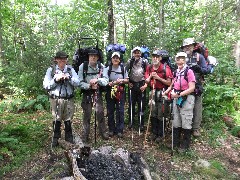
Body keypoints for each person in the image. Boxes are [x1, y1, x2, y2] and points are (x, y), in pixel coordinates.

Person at [43, 51, 80, 147]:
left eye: (64, 58)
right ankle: (56, 138)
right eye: (60, 58)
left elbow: (77, 82)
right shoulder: (51, 70)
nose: (62, 60)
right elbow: (46, 85)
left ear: (66, 59)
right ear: (56, 59)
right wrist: (55, 79)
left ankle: (69, 138)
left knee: (68, 119)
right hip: (56, 99)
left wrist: (69, 78)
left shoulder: (70, 70)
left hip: (69, 99)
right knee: (56, 119)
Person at [163, 52, 196, 151]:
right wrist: (167, 92)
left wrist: (179, 95)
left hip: (187, 98)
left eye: (182, 59)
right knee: (176, 120)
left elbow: (192, 88)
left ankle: (185, 145)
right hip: (176, 97)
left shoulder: (189, 72)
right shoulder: (176, 72)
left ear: (185, 60)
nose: (180, 61)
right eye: (178, 59)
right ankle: (175, 143)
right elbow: (172, 84)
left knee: (186, 120)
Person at [78, 48, 109, 143]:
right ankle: (85, 134)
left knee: (100, 112)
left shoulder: (102, 66)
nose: (93, 57)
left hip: (98, 92)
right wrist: (89, 86)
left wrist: (97, 80)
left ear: (98, 57)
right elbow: (79, 82)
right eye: (91, 55)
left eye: (95, 56)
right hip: (87, 93)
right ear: (88, 57)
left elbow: (106, 80)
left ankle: (103, 132)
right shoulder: (83, 66)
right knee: (87, 114)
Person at [181, 38, 208, 137]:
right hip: (183, 87)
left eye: (189, 46)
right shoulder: (181, 57)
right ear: (183, 48)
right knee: (183, 107)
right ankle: (183, 127)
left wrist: (199, 69)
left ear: (193, 47)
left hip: (196, 86)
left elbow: (206, 70)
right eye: (186, 46)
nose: (187, 47)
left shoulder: (199, 57)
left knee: (197, 107)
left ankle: (195, 128)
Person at [145, 50, 173, 143]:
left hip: (163, 92)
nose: (155, 58)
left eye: (157, 56)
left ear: (160, 58)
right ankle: (154, 133)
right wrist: (149, 78)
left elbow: (169, 83)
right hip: (152, 91)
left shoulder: (166, 68)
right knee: (152, 112)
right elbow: (146, 81)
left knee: (161, 113)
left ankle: (161, 134)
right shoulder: (149, 67)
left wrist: (158, 78)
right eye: (153, 56)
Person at [105, 52, 129, 138]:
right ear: (111, 59)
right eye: (114, 58)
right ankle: (111, 129)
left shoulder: (123, 68)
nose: (115, 59)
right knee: (110, 110)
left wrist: (121, 80)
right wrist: (112, 83)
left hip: (120, 91)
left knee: (120, 110)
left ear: (119, 60)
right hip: (110, 91)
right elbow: (104, 81)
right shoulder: (107, 69)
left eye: (117, 58)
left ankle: (120, 130)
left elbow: (127, 80)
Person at [125, 46, 148, 132]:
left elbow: (147, 73)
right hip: (132, 85)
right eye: (135, 52)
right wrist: (128, 82)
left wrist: (146, 84)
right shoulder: (130, 61)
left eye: (138, 52)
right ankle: (131, 122)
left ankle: (141, 123)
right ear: (133, 53)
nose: (137, 54)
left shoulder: (145, 61)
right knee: (131, 104)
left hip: (141, 85)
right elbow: (125, 71)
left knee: (141, 105)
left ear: (141, 53)